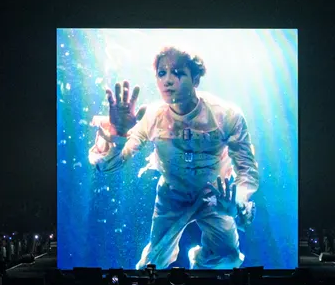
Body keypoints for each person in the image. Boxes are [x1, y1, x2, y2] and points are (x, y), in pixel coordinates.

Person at [89, 46, 260, 269]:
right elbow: (109, 165)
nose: (168, 80)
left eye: (177, 73)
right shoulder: (151, 116)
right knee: (152, 264)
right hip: (172, 194)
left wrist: (237, 201)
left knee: (228, 258)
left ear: (195, 79)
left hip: (215, 196)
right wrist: (119, 134)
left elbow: (247, 170)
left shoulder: (227, 115)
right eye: (162, 73)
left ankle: (201, 276)